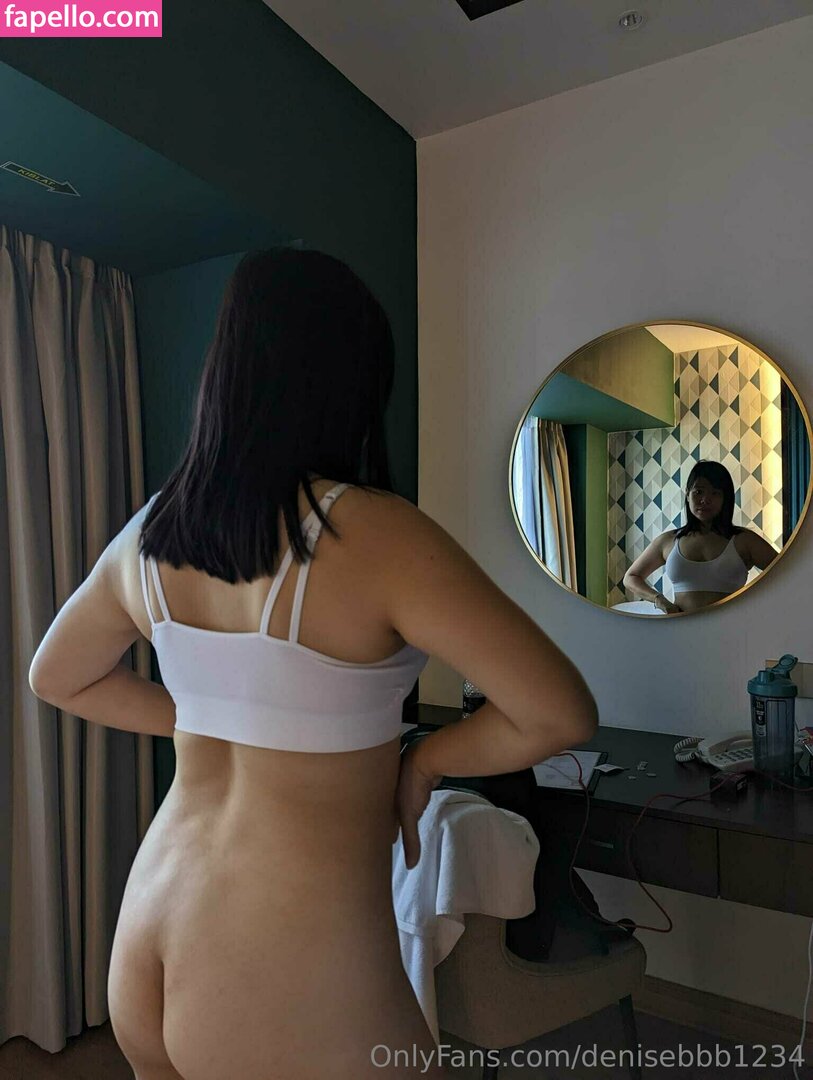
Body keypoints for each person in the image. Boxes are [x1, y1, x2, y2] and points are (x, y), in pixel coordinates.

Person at [28, 248, 597, 1080]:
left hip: (149, 934)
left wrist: (210, 716)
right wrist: (425, 760)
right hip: (279, 977)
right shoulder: (374, 531)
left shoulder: (152, 533)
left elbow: (57, 676)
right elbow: (559, 715)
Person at [623, 459, 777, 614]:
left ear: (726, 498)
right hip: (680, 627)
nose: (705, 500)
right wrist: (659, 599)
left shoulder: (745, 540)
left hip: (733, 626)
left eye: (715, 493)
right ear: (687, 494)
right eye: (698, 492)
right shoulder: (668, 541)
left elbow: (785, 574)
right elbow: (631, 577)